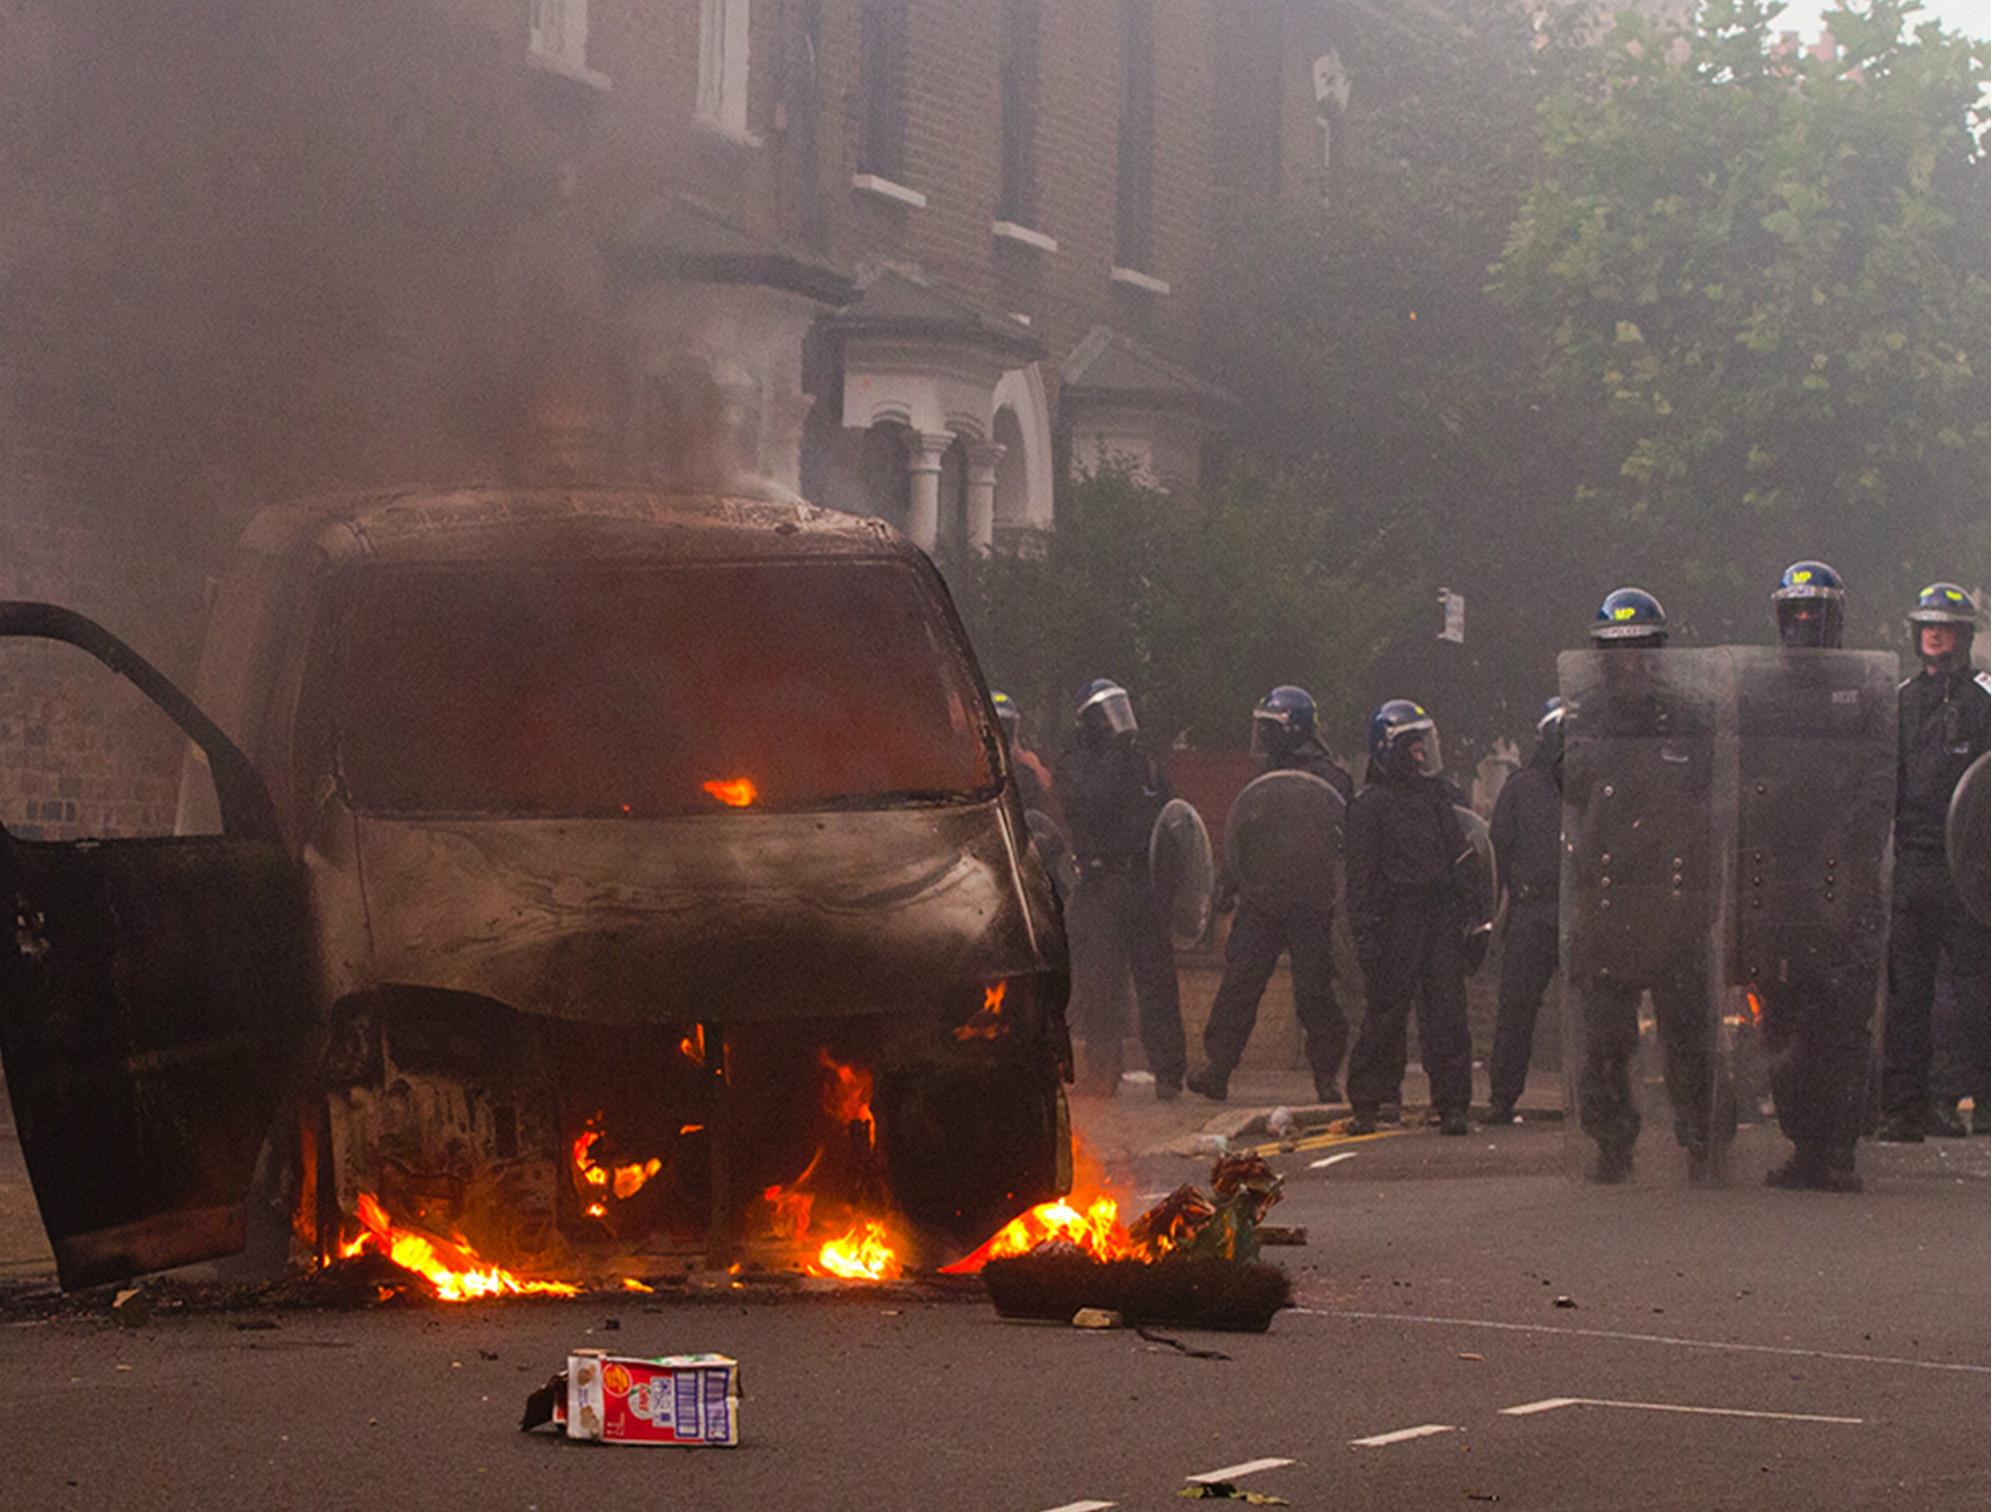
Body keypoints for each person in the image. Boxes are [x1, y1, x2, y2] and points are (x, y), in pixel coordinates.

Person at [1564, 587, 1725, 1184]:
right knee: (1604, 1039)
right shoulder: (1581, 718)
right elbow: (1567, 800)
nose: (1630, 664)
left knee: (1691, 1035)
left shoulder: (1692, 717)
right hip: (1609, 903)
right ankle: (1611, 1142)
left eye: (1641, 651)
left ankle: (1703, 1137)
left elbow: (1716, 804)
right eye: (1617, 652)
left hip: (1675, 900)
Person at [1750, 562, 1882, 1191]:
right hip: (1779, 879)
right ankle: (1804, 1142)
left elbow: (1882, 780)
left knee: (1840, 1019)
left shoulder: (1865, 687)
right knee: (1781, 1018)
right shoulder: (1761, 689)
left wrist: (1853, 842)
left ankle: (1838, 1149)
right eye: (1793, 610)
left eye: (1814, 611)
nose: (1803, 621)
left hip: (1845, 879)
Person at [1187, 686, 1353, 1104]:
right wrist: (1228, 882)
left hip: (1311, 901)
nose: (1263, 737)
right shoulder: (1262, 780)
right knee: (1240, 983)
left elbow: (1344, 839)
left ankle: (1326, 1075)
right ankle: (1219, 1067)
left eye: (1270, 728)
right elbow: (1245, 835)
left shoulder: (1331, 778)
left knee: (1315, 992)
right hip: (1263, 897)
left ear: (1293, 729)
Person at [1878, 583, 1990, 1143]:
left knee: (1978, 995)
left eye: (1944, 625)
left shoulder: (1986, 702)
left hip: (1971, 871)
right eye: (1927, 625)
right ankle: (1906, 1107)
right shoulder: (1900, 701)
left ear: (1963, 634)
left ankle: (1987, 1102)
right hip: (1915, 866)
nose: (1935, 633)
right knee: (1909, 997)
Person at [1344, 699, 1479, 1137]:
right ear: (1390, 747)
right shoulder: (1369, 807)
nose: (1422, 754)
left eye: (1424, 745)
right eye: (1414, 746)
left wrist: (1474, 920)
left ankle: (1453, 1103)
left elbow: (1461, 858)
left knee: (1447, 1012)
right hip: (1394, 917)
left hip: (1438, 914)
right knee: (1385, 1012)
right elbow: (1360, 879)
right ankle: (1369, 1101)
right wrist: (1365, 933)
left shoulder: (1437, 797)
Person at [1055, 679, 1187, 1100]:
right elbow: (1092, 803)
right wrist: (1115, 754)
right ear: (1089, 719)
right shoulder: (1076, 762)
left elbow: (1171, 817)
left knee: (1158, 983)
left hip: (1143, 883)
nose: (1119, 720)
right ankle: (1102, 1073)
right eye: (1108, 711)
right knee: (1101, 986)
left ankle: (1169, 1074)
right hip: (1100, 883)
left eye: (1121, 707)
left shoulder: (1144, 762)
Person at [1484, 696, 1564, 1125]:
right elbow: (1496, 855)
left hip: (1580, 910)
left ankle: (1599, 1100)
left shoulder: (1593, 784)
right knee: (1516, 1008)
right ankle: (1502, 1096)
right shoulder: (1521, 788)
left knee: (1594, 1013)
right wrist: (1488, 918)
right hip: (1532, 910)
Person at [991, 690, 1055, 814]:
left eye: (1006, 726)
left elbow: (1046, 810)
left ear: (1015, 728)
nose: (1002, 734)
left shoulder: (1029, 766)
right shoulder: (970, 766)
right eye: (996, 726)